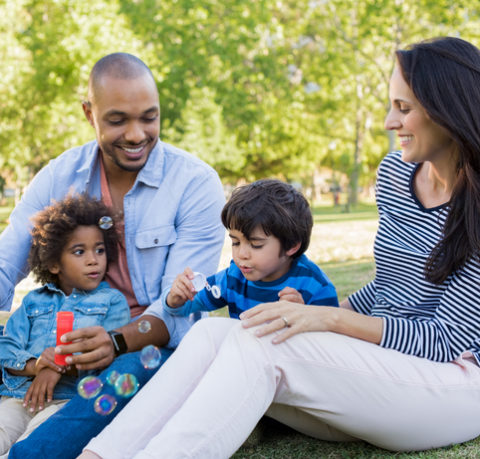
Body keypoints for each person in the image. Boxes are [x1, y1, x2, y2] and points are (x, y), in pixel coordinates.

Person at [78, 36, 480, 459]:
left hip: (454, 386)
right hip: (380, 376)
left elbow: (447, 341)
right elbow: (390, 290)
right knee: (218, 333)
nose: (388, 122)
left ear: (447, 110)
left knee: (261, 340)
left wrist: (323, 319)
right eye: (390, 106)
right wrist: (310, 315)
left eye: (404, 108)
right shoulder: (397, 175)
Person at [5, 53, 225, 459]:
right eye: (118, 119)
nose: (137, 133)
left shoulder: (195, 183)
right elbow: (6, 263)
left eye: (149, 117)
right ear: (89, 114)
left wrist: (116, 341)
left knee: (125, 372)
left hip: (152, 349)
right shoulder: (58, 177)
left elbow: (179, 307)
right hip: (70, 348)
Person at [0, 193, 131, 457]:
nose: (93, 259)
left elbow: (107, 356)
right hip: (19, 397)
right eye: (79, 251)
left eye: (100, 250)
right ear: (53, 263)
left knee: (32, 445)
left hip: (67, 401)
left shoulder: (112, 302)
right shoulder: (33, 301)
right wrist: (38, 365)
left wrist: (59, 366)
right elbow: (6, 346)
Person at [165, 179, 338, 321]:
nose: (241, 254)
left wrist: (304, 315)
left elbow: (329, 346)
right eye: (235, 242)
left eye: (255, 245)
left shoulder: (315, 286)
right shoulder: (233, 278)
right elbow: (187, 307)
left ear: (291, 245)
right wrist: (176, 299)